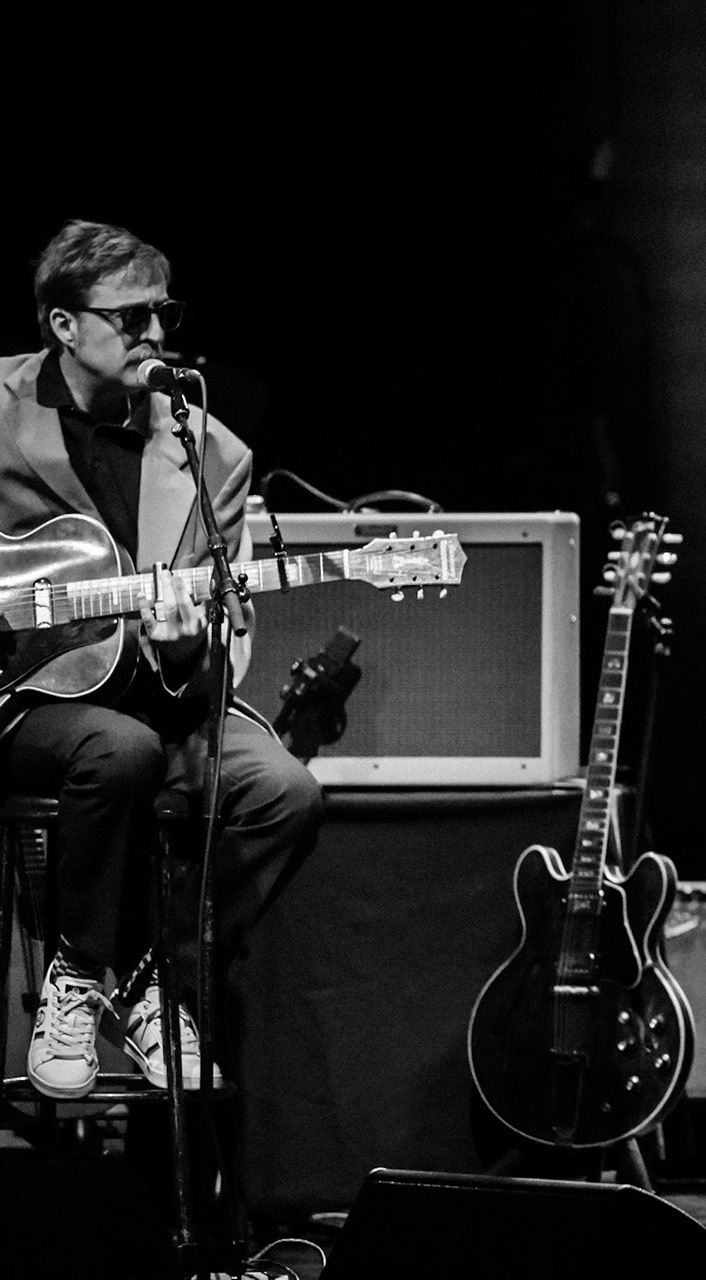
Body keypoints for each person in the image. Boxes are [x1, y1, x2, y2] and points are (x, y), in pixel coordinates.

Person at [0, 219, 323, 1099]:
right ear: (64, 326)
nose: (153, 334)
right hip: (31, 696)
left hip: (158, 697)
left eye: (162, 313)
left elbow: (227, 622)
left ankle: (155, 981)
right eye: (130, 316)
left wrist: (187, 646)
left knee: (283, 792)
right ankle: (77, 971)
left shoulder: (209, 451)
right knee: (119, 751)